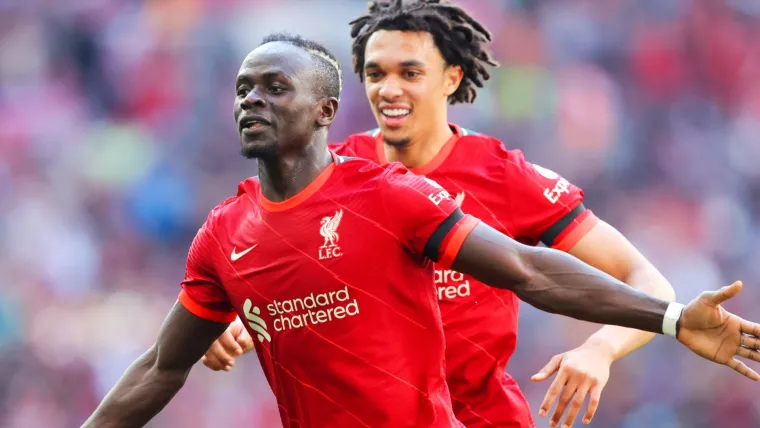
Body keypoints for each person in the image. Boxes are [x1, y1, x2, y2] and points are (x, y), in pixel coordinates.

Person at [83, 33, 760, 428]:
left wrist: (667, 319)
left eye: (273, 88)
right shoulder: (225, 233)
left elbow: (528, 270)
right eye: (242, 89)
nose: (251, 101)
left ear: (325, 110)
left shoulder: (394, 196)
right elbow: (159, 367)